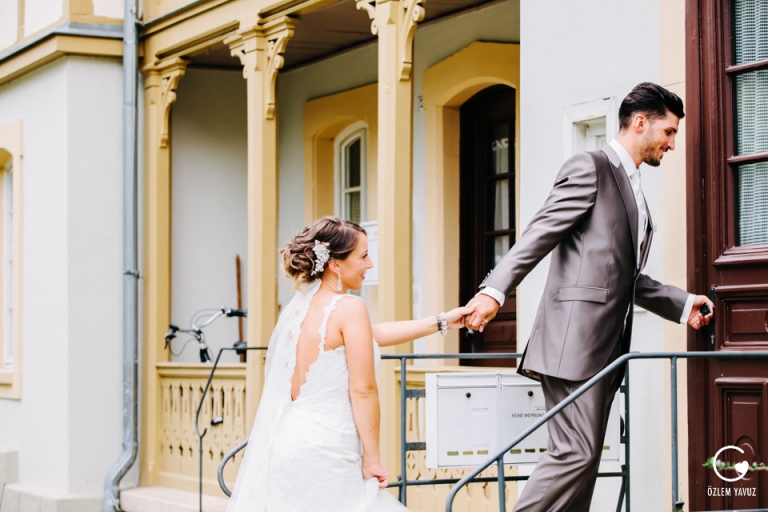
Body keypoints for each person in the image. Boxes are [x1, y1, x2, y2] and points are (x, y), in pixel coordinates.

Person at [464, 82, 715, 511]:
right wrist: (494, 290)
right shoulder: (591, 167)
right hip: (573, 344)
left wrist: (680, 302)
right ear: (641, 123)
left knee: (585, 462)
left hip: (602, 348)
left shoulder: (633, 186)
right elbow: (539, 233)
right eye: (669, 132)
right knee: (574, 455)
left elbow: (621, 277)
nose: (673, 144)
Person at [226, 216, 474, 512]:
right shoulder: (349, 308)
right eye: (364, 256)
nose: (370, 264)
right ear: (335, 264)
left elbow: (374, 333)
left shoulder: (299, 311)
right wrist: (372, 459)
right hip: (328, 451)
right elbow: (363, 390)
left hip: (287, 444)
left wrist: (443, 321)